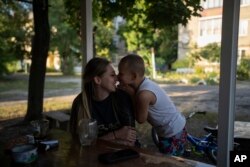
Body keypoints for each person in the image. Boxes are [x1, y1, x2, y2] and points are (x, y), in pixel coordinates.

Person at [118, 54, 187, 156]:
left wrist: (132, 95)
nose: (117, 76)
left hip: (173, 132)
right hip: (170, 129)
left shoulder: (144, 94)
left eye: (121, 74)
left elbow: (141, 119)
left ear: (133, 76)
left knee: (168, 162)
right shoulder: (144, 84)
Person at [70, 57, 137, 146]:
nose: (117, 79)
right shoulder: (80, 103)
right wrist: (116, 134)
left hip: (124, 155)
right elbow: (81, 143)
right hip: (93, 157)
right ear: (98, 80)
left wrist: (98, 141)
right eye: (112, 75)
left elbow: (130, 141)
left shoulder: (122, 98)